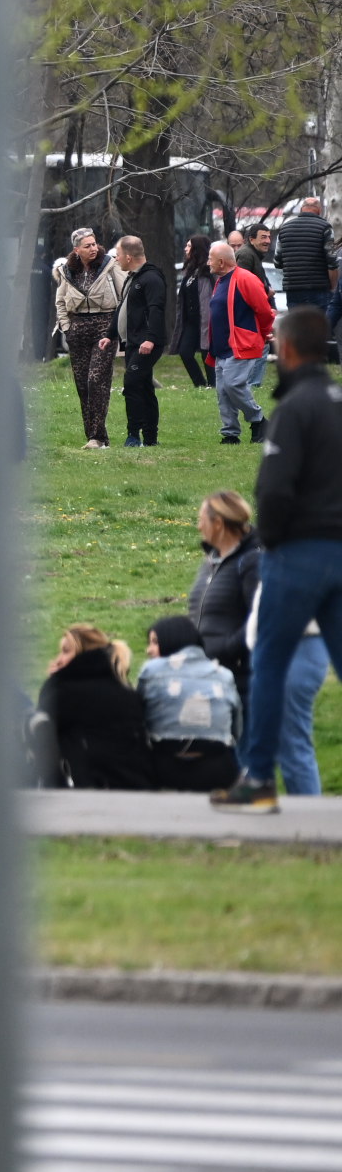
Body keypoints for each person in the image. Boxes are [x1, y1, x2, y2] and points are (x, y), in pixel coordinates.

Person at [215, 305, 342, 812]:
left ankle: (260, 779)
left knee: (267, 661)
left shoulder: (293, 409)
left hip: (300, 552)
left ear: (287, 349)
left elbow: (275, 490)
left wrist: (269, 541)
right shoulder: (337, 401)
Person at [27, 624, 148, 789]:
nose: (59, 660)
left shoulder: (63, 693)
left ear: (83, 653)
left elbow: (42, 741)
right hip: (134, 790)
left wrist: (53, 683)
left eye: (66, 651)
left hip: (83, 792)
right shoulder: (126, 691)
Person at [138, 617, 242, 793]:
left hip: (164, 766)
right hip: (218, 769)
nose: (149, 650)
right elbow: (237, 729)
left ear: (171, 639)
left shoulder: (152, 671)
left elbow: (138, 718)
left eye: (155, 642)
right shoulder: (223, 675)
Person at [54, 228, 123, 451]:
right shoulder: (66, 271)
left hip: (105, 326)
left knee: (96, 380)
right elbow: (60, 302)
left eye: (94, 244)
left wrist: (117, 329)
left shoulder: (109, 265)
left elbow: (124, 295)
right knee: (83, 385)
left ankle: (97, 437)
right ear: (77, 250)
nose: (93, 249)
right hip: (78, 329)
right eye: (87, 246)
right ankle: (95, 437)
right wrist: (66, 327)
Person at [185, 489, 260, 693]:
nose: (199, 526)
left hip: (237, 678)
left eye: (202, 520)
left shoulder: (250, 562)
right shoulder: (210, 563)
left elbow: (260, 617)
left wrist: (227, 650)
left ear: (218, 523)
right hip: (204, 673)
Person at [207, 240, 277, 446]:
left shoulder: (246, 279)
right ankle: (230, 433)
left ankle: (259, 421)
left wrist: (263, 334)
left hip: (241, 344)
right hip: (222, 347)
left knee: (233, 384)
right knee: (223, 391)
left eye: (210, 259)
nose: (207, 262)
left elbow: (264, 311)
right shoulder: (221, 280)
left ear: (221, 262)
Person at [113, 236, 170, 449]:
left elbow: (156, 310)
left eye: (118, 254)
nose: (116, 258)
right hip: (132, 342)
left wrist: (150, 339)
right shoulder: (132, 277)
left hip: (146, 343)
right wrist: (110, 335)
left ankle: (133, 435)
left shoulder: (152, 278)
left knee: (132, 383)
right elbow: (123, 308)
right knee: (145, 387)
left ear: (128, 256)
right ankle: (151, 438)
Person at [280, 198, 335, 323]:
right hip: (318, 289)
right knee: (317, 331)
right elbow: (332, 261)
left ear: (301, 209)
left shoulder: (284, 228)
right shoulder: (325, 228)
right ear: (320, 211)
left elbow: (278, 260)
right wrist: (333, 286)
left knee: (297, 330)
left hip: (293, 290)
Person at [175, 234, 217, 389]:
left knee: (207, 352)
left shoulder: (207, 271)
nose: (185, 248)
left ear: (196, 249)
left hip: (205, 320)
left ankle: (213, 386)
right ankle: (200, 384)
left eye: (188, 245)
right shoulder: (190, 270)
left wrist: (207, 322)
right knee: (185, 352)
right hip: (191, 321)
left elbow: (206, 299)